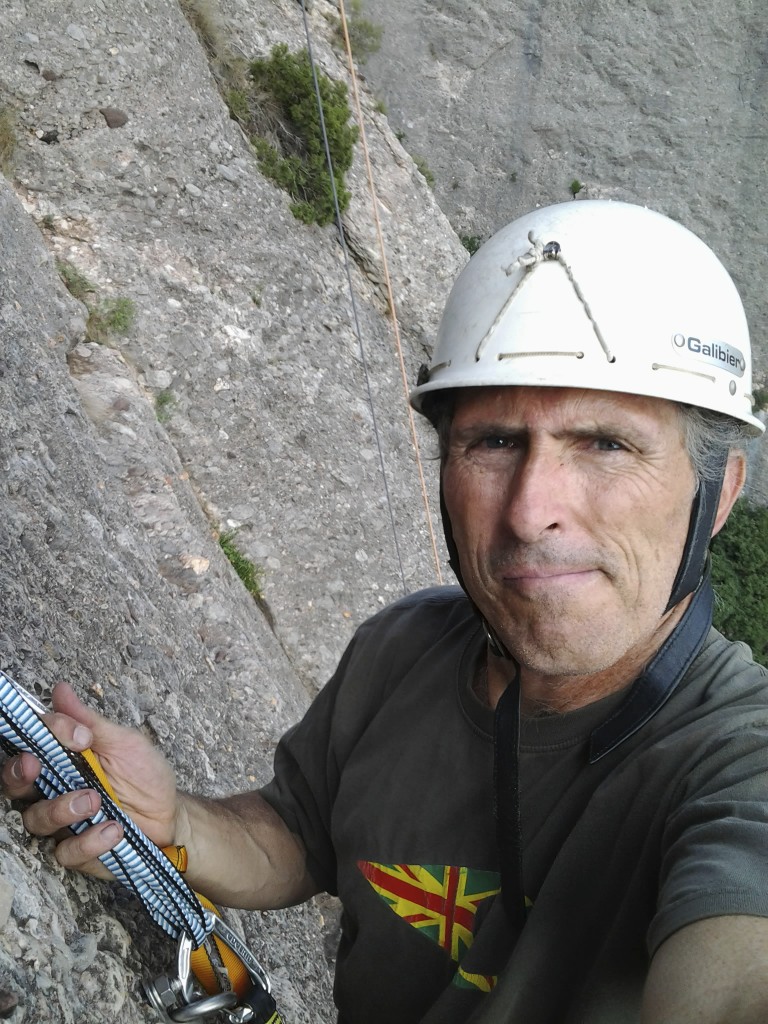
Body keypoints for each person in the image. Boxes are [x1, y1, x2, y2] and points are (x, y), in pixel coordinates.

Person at [4, 200, 768, 1024]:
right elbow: (300, 838)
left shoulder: (737, 763)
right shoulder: (405, 650)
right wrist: (173, 823)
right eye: (493, 442)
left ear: (718, 493)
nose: (529, 511)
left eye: (607, 444)